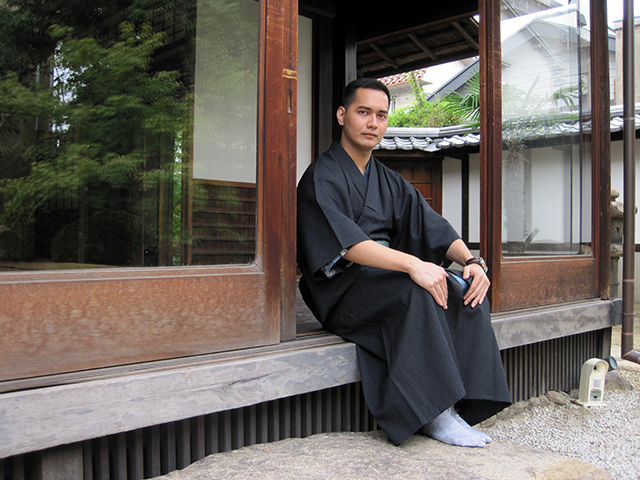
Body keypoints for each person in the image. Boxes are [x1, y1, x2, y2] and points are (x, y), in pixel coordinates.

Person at [296, 77, 511, 448]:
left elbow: (432, 226)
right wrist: (413, 265)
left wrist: (472, 261)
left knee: (465, 289)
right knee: (417, 292)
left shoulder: (389, 180)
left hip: (386, 277)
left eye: (381, 115)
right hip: (341, 288)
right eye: (364, 112)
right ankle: (433, 413)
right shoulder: (321, 176)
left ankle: (463, 402)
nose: (373, 123)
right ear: (342, 115)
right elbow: (345, 244)